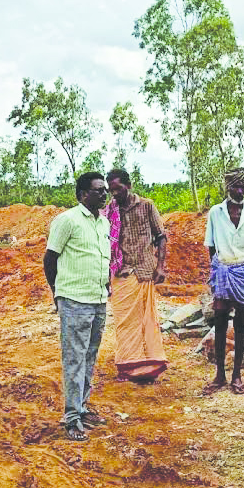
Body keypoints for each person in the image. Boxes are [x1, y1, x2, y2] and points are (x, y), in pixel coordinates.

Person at [43, 171, 111, 441]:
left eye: (105, 190)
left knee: (90, 356)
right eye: (98, 190)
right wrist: (57, 292)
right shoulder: (67, 221)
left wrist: (104, 286)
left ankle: (82, 408)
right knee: (74, 359)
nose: (104, 194)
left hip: (97, 299)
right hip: (74, 300)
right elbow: (50, 259)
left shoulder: (103, 223)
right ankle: (72, 418)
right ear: (83, 194)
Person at [201, 168, 244, 396]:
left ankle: (236, 375)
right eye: (235, 187)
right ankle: (220, 374)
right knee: (219, 321)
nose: (239, 191)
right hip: (223, 269)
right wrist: (216, 272)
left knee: (240, 323)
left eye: (243, 187)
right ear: (228, 187)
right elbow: (211, 245)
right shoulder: (215, 213)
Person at [103, 168, 168, 382]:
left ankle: (150, 364)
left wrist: (160, 266)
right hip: (121, 272)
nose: (115, 194)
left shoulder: (147, 205)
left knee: (146, 319)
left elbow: (161, 236)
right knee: (124, 321)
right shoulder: (109, 211)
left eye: (118, 189)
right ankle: (127, 365)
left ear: (129, 185)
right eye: (111, 190)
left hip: (144, 270)